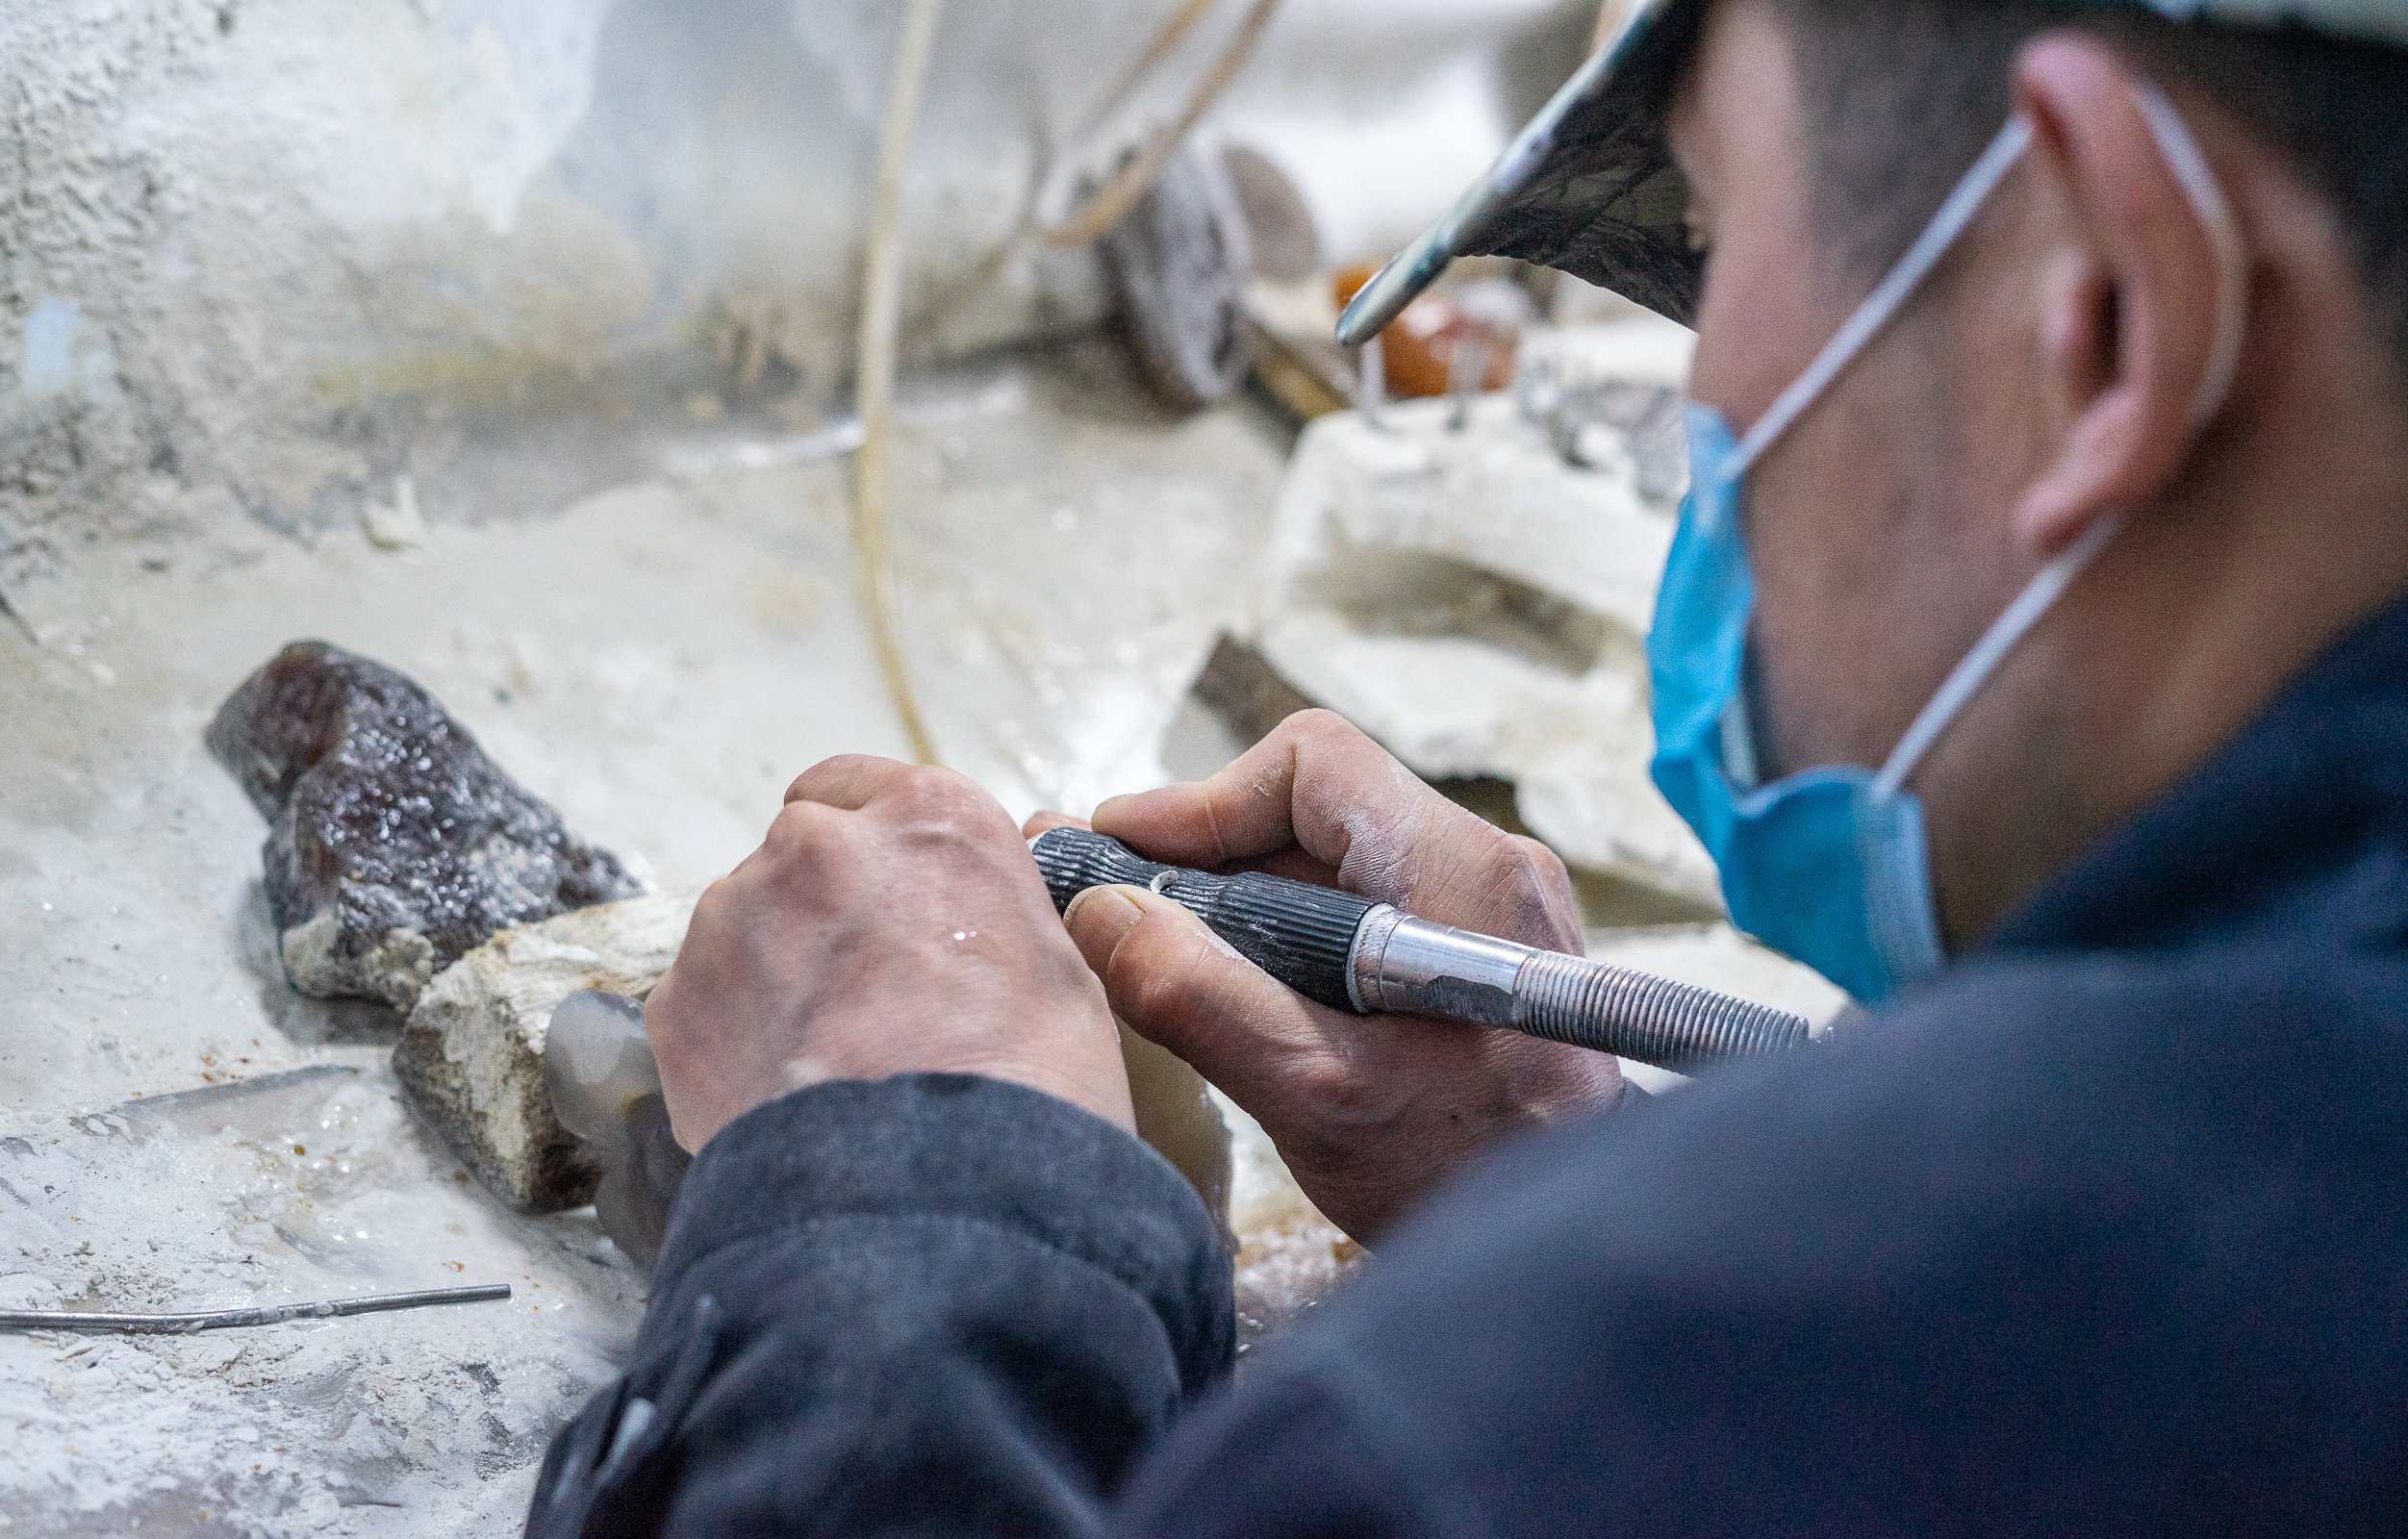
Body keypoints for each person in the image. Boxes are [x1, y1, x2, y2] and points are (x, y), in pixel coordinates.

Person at [528, 0, 2408, 1531]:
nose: (1704, 400)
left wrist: (904, 1262)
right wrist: (1579, 1176)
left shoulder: (1514, 1441)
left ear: (2101, 318)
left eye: (1719, 224)